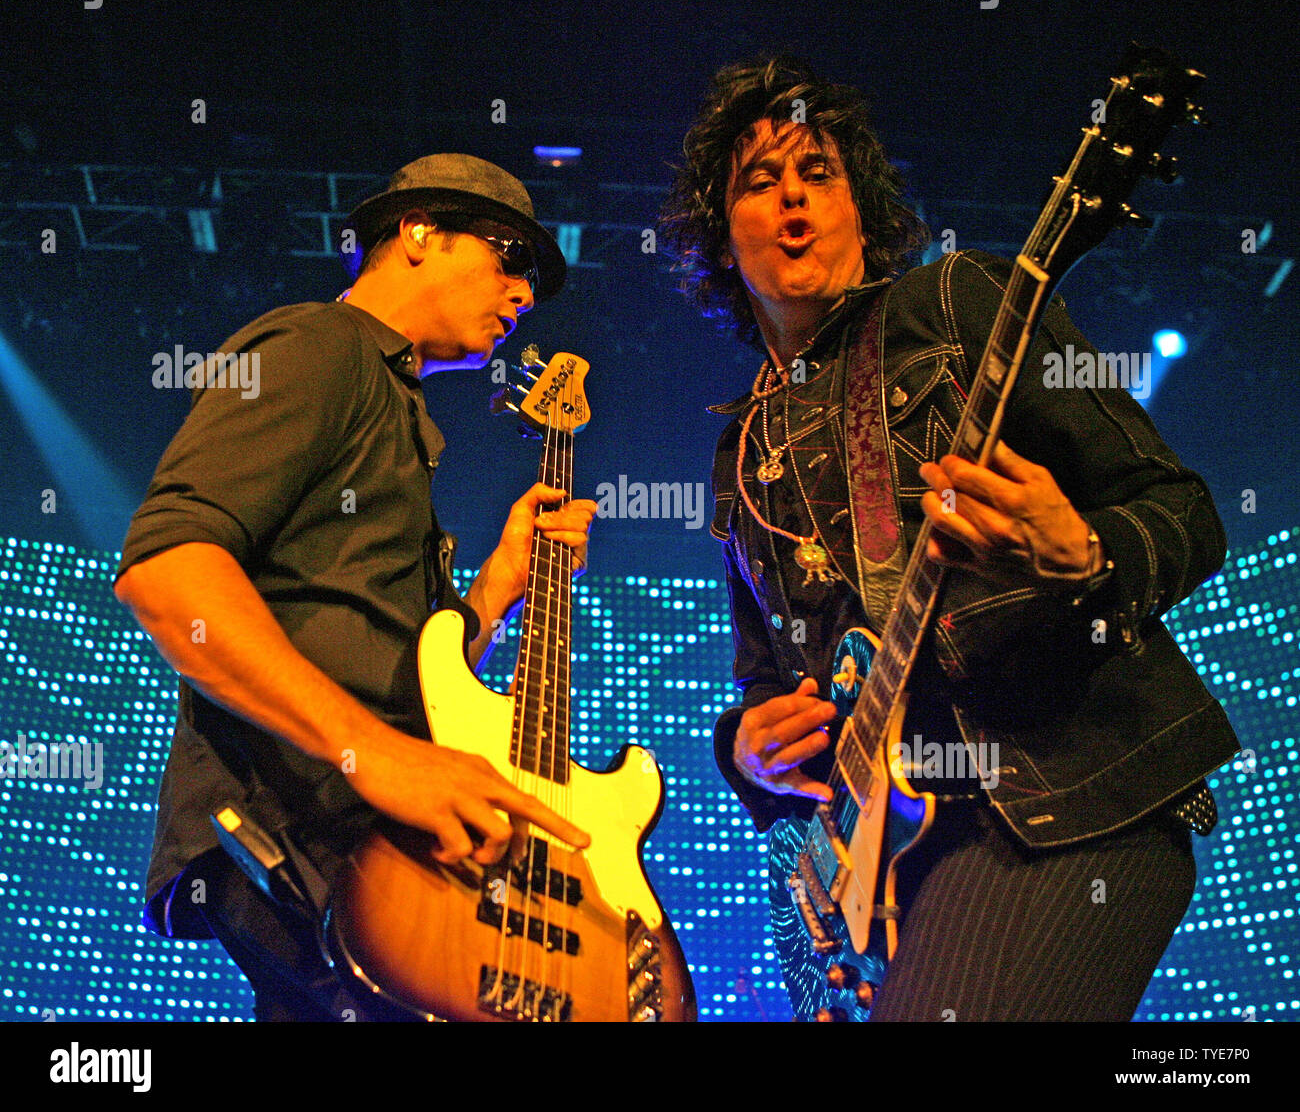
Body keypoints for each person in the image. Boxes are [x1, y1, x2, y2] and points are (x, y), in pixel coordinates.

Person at [661, 58, 1240, 1021]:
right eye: (759, 183)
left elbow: (1181, 510)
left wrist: (1088, 557)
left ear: (864, 212)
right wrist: (747, 751)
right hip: (893, 863)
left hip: (1061, 804)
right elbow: (769, 674)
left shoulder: (959, 306)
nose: (792, 196)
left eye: (819, 173)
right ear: (724, 240)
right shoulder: (743, 446)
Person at [113, 154, 597, 1020]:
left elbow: (405, 671)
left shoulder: (398, 410)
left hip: (367, 851)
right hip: (303, 840)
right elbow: (167, 569)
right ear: (416, 233)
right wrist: (373, 755)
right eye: (510, 256)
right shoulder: (318, 345)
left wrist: (495, 587)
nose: (526, 293)